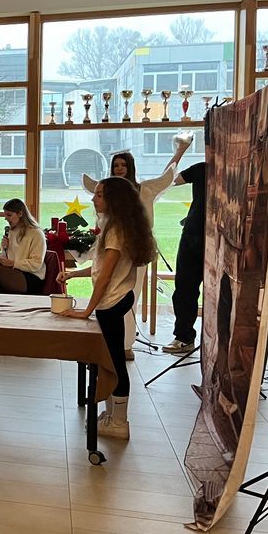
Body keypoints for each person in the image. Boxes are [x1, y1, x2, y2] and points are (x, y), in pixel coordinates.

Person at [58, 176, 157, 439]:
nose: (93, 198)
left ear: (115, 200)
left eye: (100, 194)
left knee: (113, 363)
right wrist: (74, 274)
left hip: (112, 300)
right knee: (110, 360)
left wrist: (86, 311)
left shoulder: (116, 231)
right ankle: (112, 416)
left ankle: (119, 423)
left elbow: (105, 277)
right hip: (116, 298)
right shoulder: (117, 226)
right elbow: (101, 266)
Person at [82, 136, 194, 359]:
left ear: (130, 167)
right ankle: (109, 342)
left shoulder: (144, 190)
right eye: (116, 165)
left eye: (123, 165)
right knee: (107, 295)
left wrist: (180, 151)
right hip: (110, 248)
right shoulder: (106, 192)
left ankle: (125, 345)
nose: (119, 168)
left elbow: (166, 179)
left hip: (133, 252)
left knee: (128, 296)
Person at [164, 160, 206, 354]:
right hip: (193, 235)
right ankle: (184, 336)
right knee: (184, 288)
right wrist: (179, 152)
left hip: (224, 238)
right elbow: (167, 181)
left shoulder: (239, 170)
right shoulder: (201, 169)